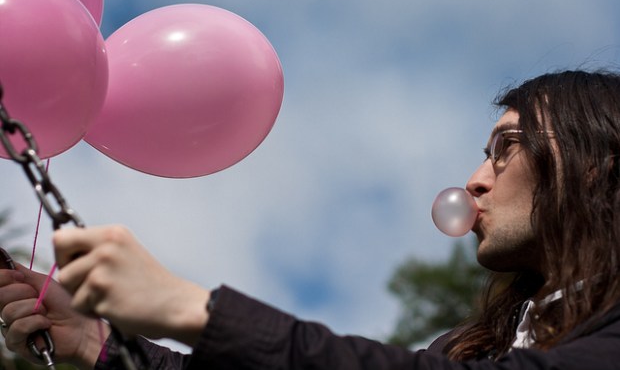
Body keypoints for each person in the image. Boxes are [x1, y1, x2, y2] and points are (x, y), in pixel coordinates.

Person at [2, 69, 620, 369]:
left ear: (596, 161)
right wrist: (99, 343)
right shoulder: (470, 347)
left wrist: (196, 310)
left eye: (505, 147)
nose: (475, 180)